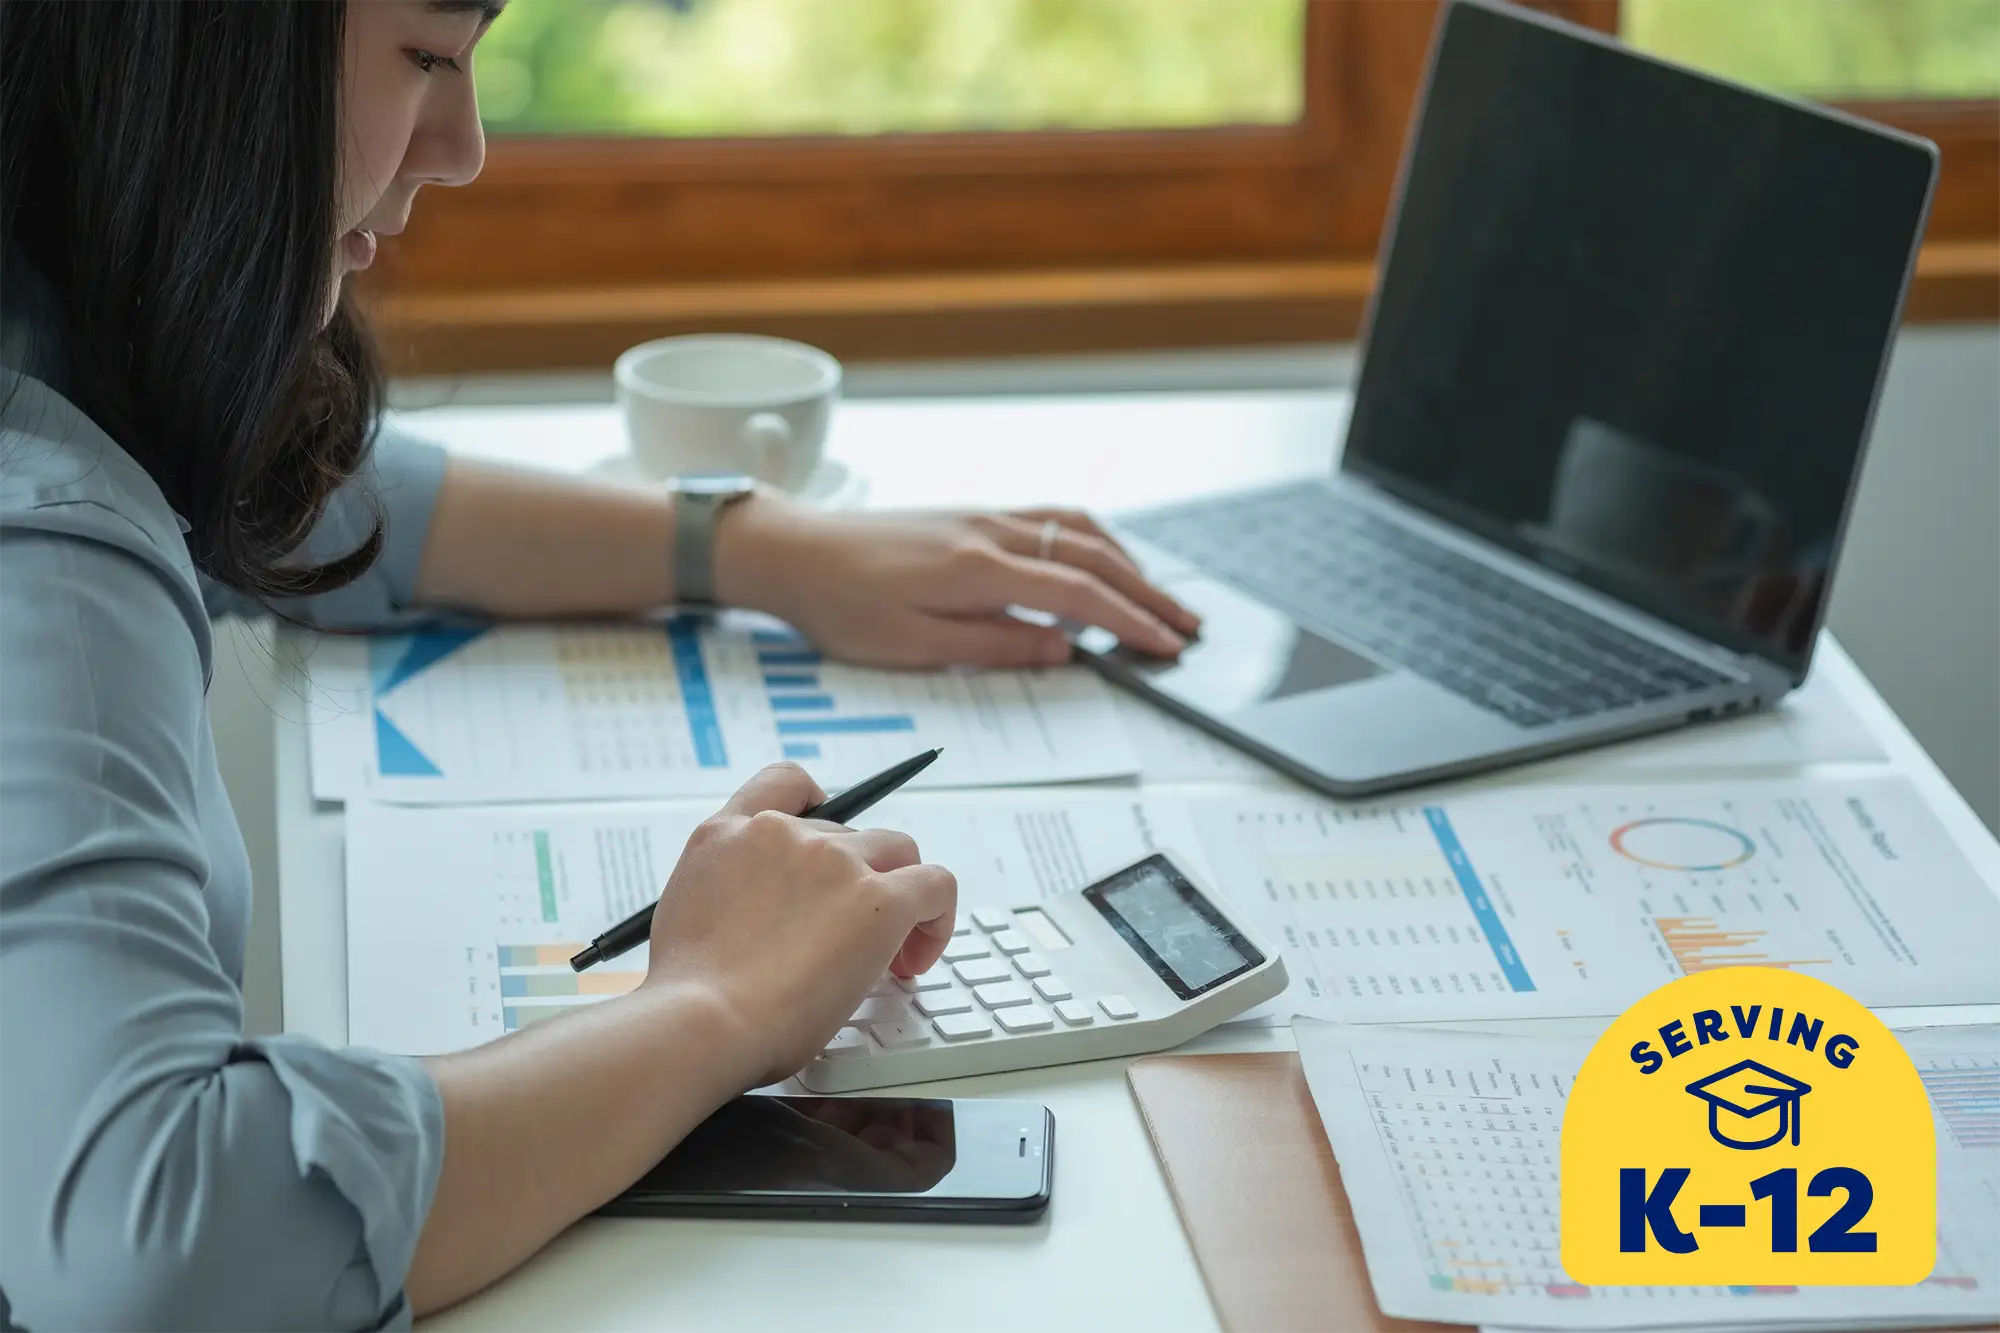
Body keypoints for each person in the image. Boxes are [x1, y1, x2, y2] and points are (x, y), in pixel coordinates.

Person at [0, 3, 1200, 1330]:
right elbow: (160, 1249)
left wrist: (756, 546)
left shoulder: (53, 317)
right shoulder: (43, 539)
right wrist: (713, 1006)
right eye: (431, 58)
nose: (462, 148)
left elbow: (279, 495)